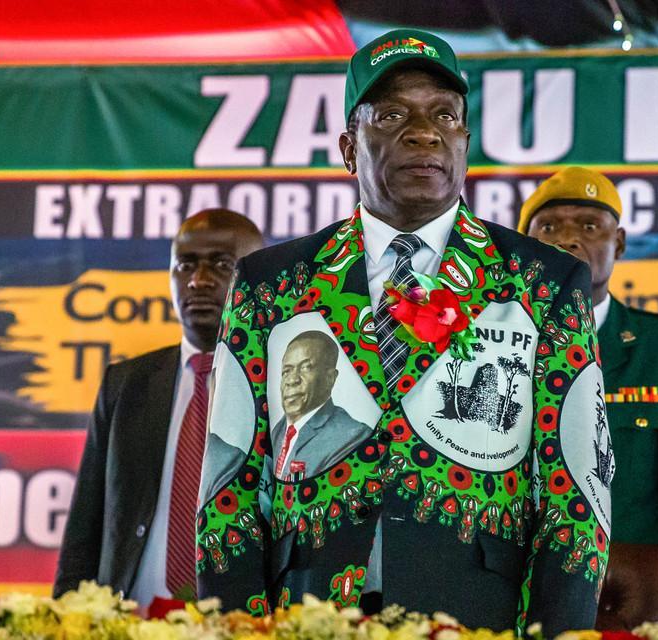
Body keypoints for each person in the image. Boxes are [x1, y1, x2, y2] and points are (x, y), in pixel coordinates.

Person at [197, 29, 610, 636]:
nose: (424, 133)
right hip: (308, 616)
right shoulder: (271, 283)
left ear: (465, 141)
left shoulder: (543, 281)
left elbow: (576, 496)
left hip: (477, 618)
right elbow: (228, 487)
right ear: (348, 148)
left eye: (444, 115)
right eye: (392, 116)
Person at [520, 166, 658, 627]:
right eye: (548, 227)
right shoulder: (483, 344)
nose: (568, 239)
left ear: (618, 243)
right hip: (503, 602)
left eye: (589, 226)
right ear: (525, 246)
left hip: (620, 607)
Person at [54, 209, 264, 606]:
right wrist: (67, 617)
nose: (199, 280)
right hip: (130, 620)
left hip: (245, 623)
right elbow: (85, 526)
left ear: (259, 277)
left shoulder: (283, 383)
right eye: (185, 265)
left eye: (222, 265)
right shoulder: (125, 384)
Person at [272, 331, 372, 481]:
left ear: (330, 378)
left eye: (306, 367)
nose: (291, 380)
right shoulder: (278, 430)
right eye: (286, 371)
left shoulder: (351, 437)